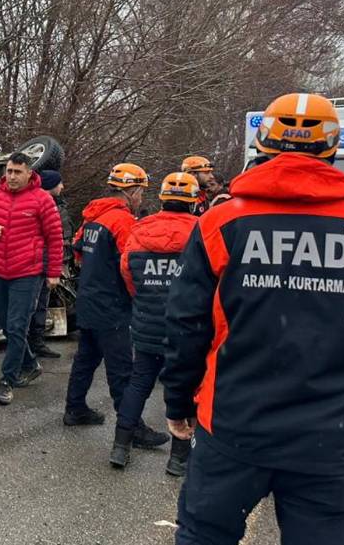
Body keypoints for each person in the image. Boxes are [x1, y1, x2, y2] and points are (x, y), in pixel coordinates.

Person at [163, 93, 344, 544]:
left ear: (264, 143)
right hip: (330, 436)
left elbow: (186, 326)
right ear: (332, 148)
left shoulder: (220, 224)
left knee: (204, 536)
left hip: (233, 426)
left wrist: (178, 404)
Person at [64, 163, 168, 450]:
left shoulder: (93, 216)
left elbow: (77, 250)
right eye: (140, 192)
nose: (141, 198)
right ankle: (132, 428)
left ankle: (75, 408)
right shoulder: (121, 221)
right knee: (122, 368)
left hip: (88, 299)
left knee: (86, 358)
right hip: (112, 304)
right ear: (131, 191)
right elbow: (130, 263)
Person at [110, 172, 200, 473]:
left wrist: (147, 301)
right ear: (194, 201)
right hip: (187, 328)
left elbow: (128, 275)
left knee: (139, 383)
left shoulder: (139, 230)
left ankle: (120, 446)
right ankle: (178, 457)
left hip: (147, 321)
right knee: (186, 389)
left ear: (161, 198)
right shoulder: (201, 232)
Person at [0, 152, 64, 405]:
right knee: (5, 325)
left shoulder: (43, 200)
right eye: (9, 171)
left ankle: (7, 381)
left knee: (17, 327)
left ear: (29, 173)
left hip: (28, 273)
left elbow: (55, 239)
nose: (11, 176)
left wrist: (53, 272)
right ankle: (31, 363)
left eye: (17, 172)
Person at [27, 169, 74, 359]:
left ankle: (37, 343)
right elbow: (52, 238)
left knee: (41, 304)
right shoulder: (42, 206)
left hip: (49, 262)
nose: (62, 186)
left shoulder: (56, 204)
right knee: (33, 304)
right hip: (38, 263)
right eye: (59, 183)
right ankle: (30, 346)